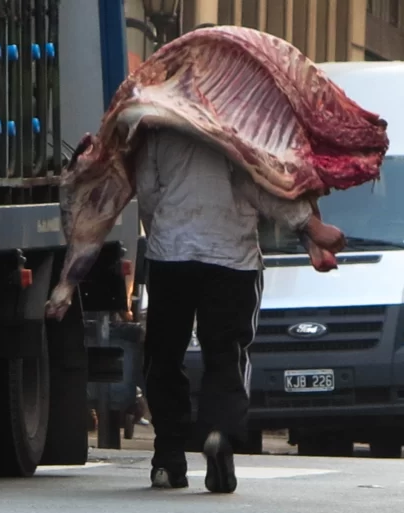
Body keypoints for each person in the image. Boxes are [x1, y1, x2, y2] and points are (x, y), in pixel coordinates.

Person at [134, 126, 314, 493]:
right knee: (227, 354)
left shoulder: (156, 120)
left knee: (164, 355)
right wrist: (307, 225)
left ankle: (167, 461)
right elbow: (258, 182)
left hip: (171, 253)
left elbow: (148, 192)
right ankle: (219, 434)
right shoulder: (241, 116)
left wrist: (165, 231)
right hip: (232, 257)